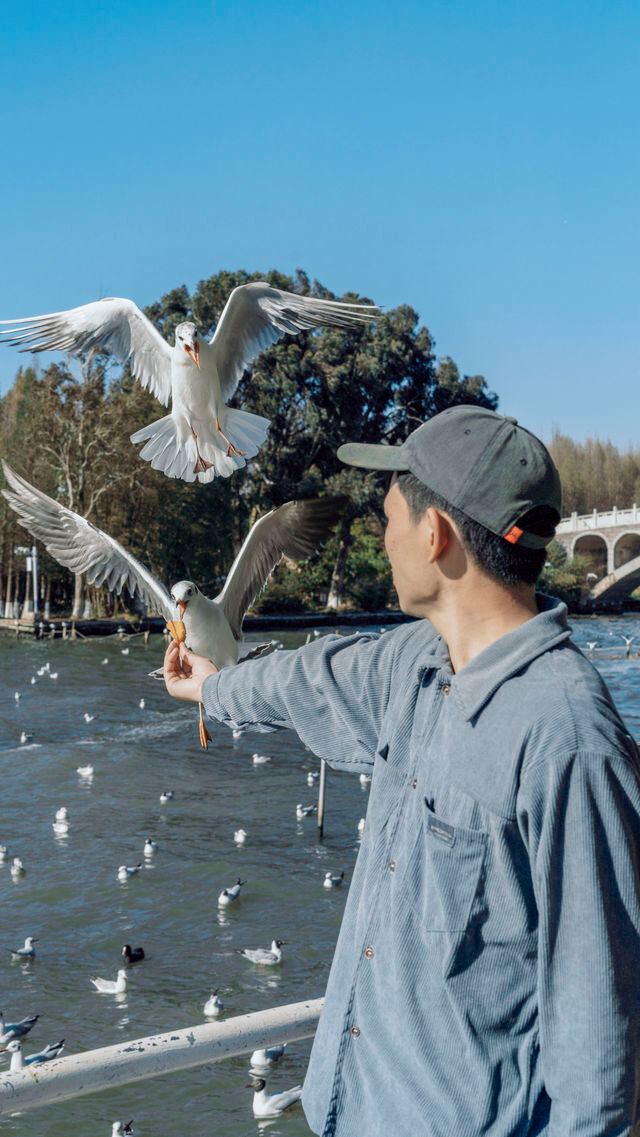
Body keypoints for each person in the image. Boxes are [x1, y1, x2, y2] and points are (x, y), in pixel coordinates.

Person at [164, 405, 640, 1137]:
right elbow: (307, 679)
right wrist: (211, 687)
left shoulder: (568, 743)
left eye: (389, 516)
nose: (381, 536)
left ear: (435, 534)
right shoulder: (418, 661)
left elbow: (597, 1065)